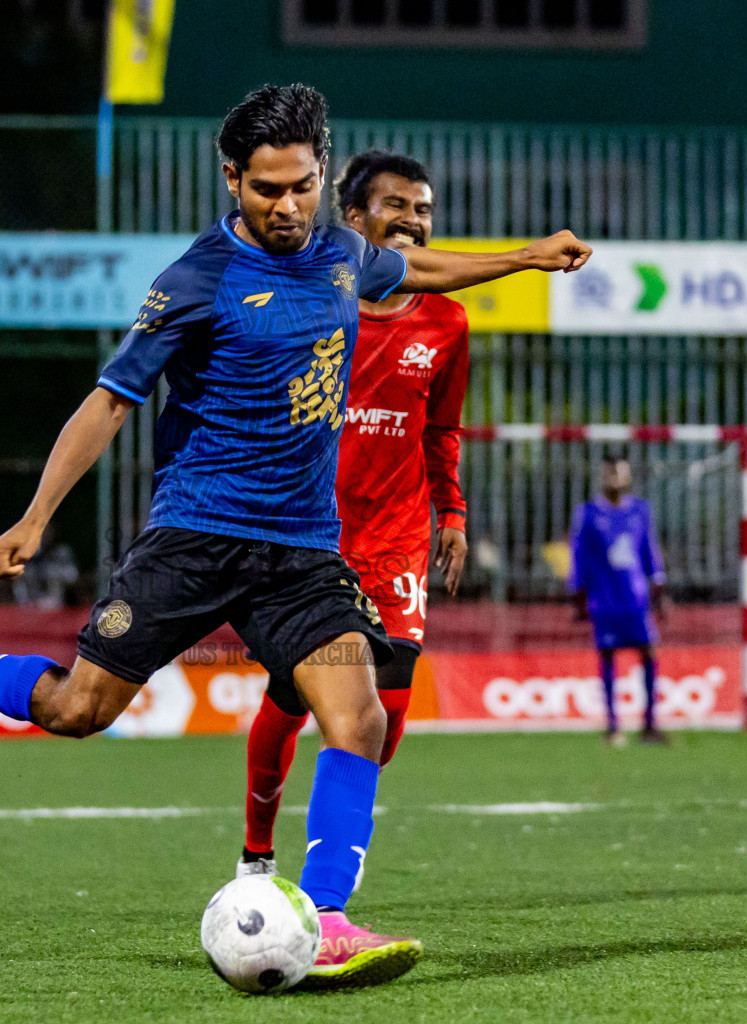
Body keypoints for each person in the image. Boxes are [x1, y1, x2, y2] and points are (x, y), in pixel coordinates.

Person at [0, 83, 590, 990]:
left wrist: (527, 258)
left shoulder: (341, 253)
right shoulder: (195, 282)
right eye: (264, 190)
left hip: (300, 552)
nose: (285, 207)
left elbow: (425, 271)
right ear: (231, 180)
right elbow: (108, 402)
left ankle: (326, 920)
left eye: (300, 186)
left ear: (323, 178)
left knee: (358, 716)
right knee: (78, 712)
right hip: (196, 538)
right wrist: (36, 515)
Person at [237, 150, 469, 880]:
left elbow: (442, 429)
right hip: (309, 540)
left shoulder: (449, 321)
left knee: (385, 718)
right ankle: (257, 852)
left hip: (396, 543)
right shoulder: (309, 301)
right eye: (397, 206)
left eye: (425, 209)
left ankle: (327, 862)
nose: (414, 221)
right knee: (288, 699)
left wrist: (452, 512)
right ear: (356, 220)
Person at [569, 452, 668, 747]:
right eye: (610, 472)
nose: (615, 478)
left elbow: (648, 549)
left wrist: (659, 584)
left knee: (650, 652)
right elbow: (580, 556)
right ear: (602, 477)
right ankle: (613, 726)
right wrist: (577, 593)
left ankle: (650, 725)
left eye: (620, 472)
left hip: (636, 598)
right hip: (604, 599)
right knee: (608, 656)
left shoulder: (640, 511)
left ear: (628, 476)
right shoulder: (588, 514)